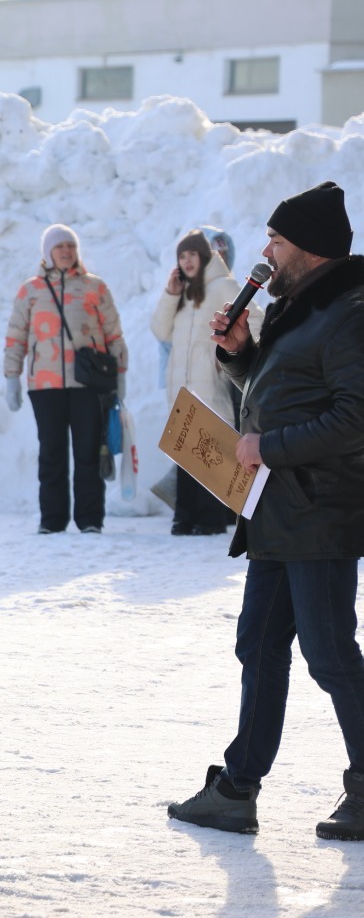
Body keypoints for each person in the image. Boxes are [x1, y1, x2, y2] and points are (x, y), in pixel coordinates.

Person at [168, 181, 364, 840]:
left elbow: (355, 417)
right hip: (278, 512)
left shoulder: (350, 312)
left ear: (309, 246)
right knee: (258, 645)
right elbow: (282, 393)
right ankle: (237, 788)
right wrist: (240, 356)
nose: (266, 251)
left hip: (322, 513)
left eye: (276, 240)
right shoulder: (298, 308)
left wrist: (267, 446)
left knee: (330, 654)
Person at [3, 224, 128, 534]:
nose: (66, 252)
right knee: (52, 454)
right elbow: (16, 336)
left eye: (70, 246)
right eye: (59, 247)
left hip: (88, 384)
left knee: (88, 452)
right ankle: (52, 520)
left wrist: (120, 377)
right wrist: (12, 377)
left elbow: (113, 334)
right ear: (48, 253)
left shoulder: (94, 287)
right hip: (45, 385)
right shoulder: (30, 290)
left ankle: (90, 520)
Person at [149, 229, 259, 536]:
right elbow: (160, 331)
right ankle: (184, 517)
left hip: (210, 384)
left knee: (210, 453)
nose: (187, 261)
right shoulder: (183, 293)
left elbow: (255, 319)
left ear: (205, 257)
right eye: (181, 256)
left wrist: (237, 351)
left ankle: (211, 519)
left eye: (192, 254)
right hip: (182, 388)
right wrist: (170, 294)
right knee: (185, 451)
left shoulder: (224, 285)